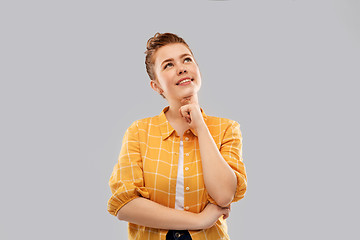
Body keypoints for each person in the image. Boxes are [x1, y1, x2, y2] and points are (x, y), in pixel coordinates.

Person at [107, 32, 247, 240]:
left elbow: (224, 194)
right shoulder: (139, 131)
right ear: (156, 86)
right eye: (168, 65)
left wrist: (200, 126)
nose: (182, 68)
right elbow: (124, 204)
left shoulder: (226, 129)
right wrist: (200, 220)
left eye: (187, 59)